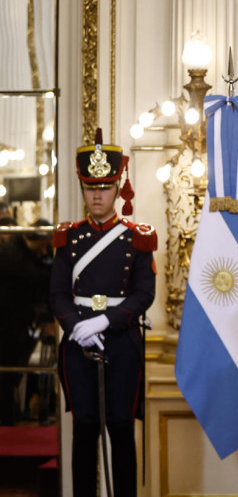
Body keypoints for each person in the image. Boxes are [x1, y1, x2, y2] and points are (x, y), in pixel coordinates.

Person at [49, 132, 156, 497]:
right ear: (83, 189)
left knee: (122, 429)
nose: (97, 195)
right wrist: (77, 327)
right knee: (84, 431)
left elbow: (144, 294)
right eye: (91, 187)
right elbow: (58, 293)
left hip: (122, 342)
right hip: (78, 344)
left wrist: (105, 321)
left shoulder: (138, 238)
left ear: (118, 188)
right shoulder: (68, 237)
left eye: (106, 187)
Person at [0, 219, 53, 425]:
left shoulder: (24, 252)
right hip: (7, 323)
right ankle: (6, 419)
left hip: (17, 322)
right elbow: (35, 277)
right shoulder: (11, 253)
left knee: (12, 374)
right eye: (46, 241)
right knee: (7, 373)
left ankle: (9, 414)